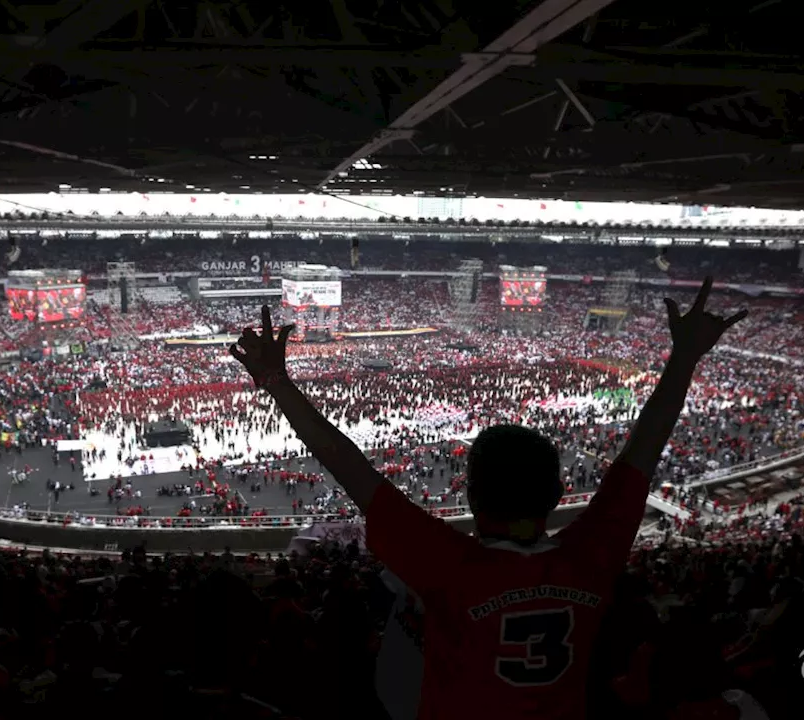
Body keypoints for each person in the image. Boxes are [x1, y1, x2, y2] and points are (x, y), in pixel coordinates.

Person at [229, 277, 747, 719]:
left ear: (472, 495)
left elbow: (348, 465)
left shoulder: (452, 565)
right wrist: (684, 359)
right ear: (559, 492)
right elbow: (643, 452)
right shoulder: (591, 560)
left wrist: (276, 381)